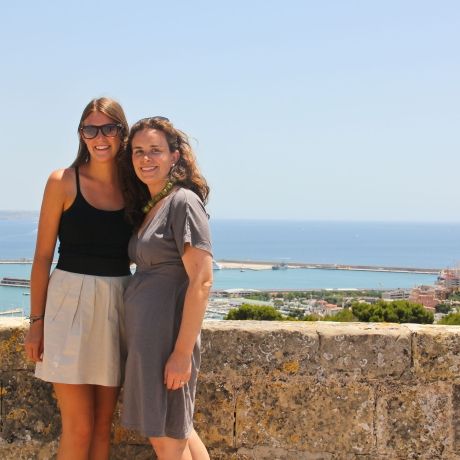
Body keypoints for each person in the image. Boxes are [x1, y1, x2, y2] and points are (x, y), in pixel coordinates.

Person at [24, 97, 132, 460]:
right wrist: (36, 323)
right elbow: (42, 258)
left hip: (117, 307)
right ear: (81, 135)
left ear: (122, 132)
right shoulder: (62, 181)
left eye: (108, 128)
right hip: (67, 306)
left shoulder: (134, 189)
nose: (99, 137)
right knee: (80, 426)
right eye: (90, 129)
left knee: (104, 427)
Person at [118, 116, 212, 460]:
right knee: (180, 432)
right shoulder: (153, 204)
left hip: (167, 339)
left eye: (155, 150)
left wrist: (181, 353)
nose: (146, 158)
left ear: (175, 156)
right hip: (149, 339)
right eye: (139, 151)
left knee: (167, 442)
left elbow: (202, 280)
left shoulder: (183, 202)